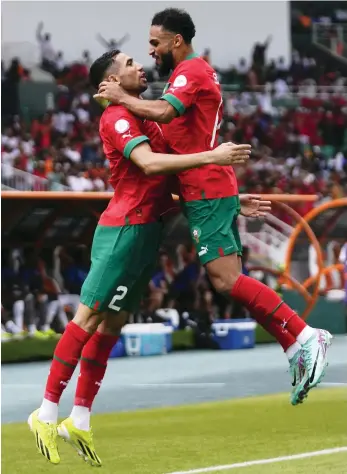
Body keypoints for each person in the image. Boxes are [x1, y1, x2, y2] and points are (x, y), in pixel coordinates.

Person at [95, 8, 332, 407]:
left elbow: (165, 112)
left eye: (155, 43)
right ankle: (294, 348)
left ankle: (306, 334)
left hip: (205, 188)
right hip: (204, 190)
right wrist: (233, 200)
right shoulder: (186, 74)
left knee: (225, 281)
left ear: (176, 41)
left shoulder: (190, 72)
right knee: (229, 281)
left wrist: (119, 97)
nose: (150, 51)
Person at [27, 49, 252, 466]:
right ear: (111, 81)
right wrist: (213, 156)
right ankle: (44, 412)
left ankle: (79, 417)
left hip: (148, 233)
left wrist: (231, 202)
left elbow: (175, 179)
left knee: (111, 325)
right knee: (88, 318)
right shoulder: (116, 118)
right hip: (123, 230)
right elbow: (149, 165)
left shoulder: (145, 116)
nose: (139, 66)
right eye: (129, 63)